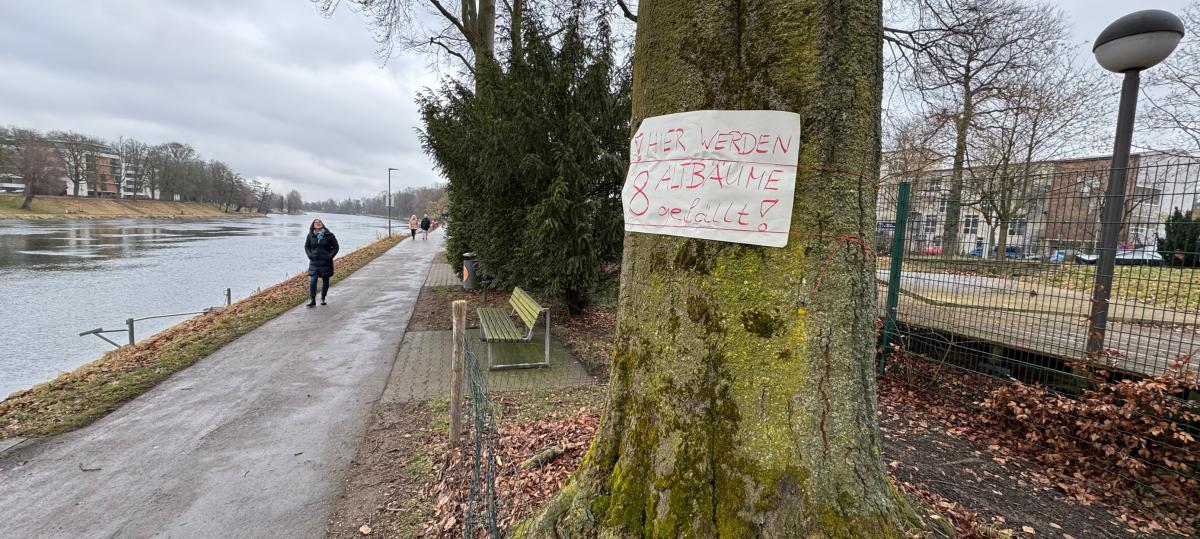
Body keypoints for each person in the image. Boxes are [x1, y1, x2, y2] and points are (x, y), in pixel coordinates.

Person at [304, 218, 339, 307]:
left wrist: (330, 256)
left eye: (320, 222)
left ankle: (323, 298)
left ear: (322, 224)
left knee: (325, 280)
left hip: (326, 262)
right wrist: (310, 255)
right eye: (316, 222)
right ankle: (312, 300)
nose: (318, 223)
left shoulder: (329, 235)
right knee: (313, 280)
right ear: (313, 225)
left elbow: (336, 247)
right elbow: (306, 247)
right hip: (314, 262)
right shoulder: (310, 236)